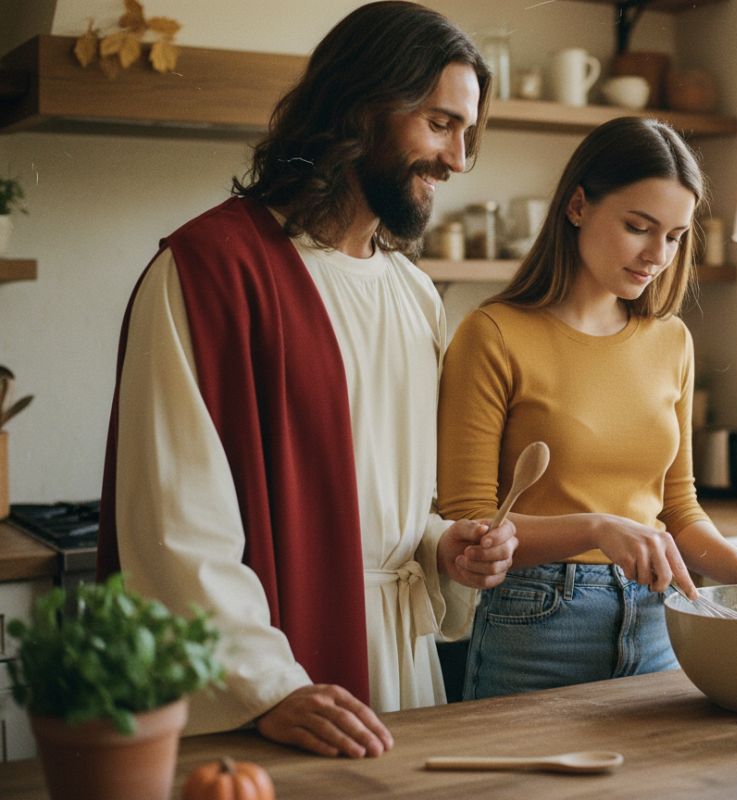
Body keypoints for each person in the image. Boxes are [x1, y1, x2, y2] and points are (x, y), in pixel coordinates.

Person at [97, 2, 518, 758]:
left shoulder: (414, 295)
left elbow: (395, 512)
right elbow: (173, 528)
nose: (458, 160)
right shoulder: (208, 275)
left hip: (402, 670)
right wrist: (271, 687)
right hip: (277, 680)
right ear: (364, 106)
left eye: (467, 134)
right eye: (440, 124)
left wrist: (444, 547)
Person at [437, 117, 737, 701]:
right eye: (639, 227)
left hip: (657, 618)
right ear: (577, 206)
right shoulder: (492, 334)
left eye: (674, 236)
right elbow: (469, 522)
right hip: (537, 626)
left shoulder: (672, 341)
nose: (658, 254)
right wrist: (595, 528)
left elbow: (679, 507)